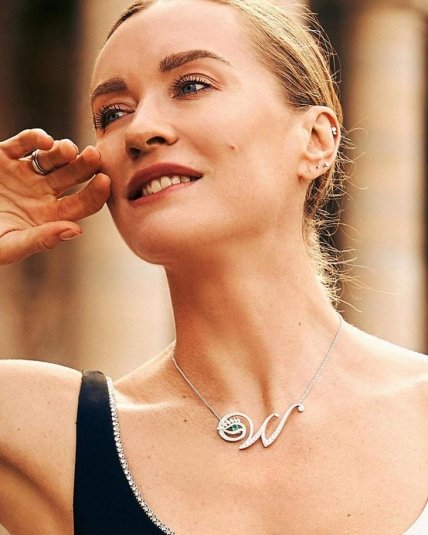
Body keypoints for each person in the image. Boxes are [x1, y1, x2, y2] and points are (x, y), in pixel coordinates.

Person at [0, 0, 426, 533]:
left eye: (191, 85)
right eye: (113, 113)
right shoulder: (44, 430)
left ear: (316, 139)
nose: (140, 129)